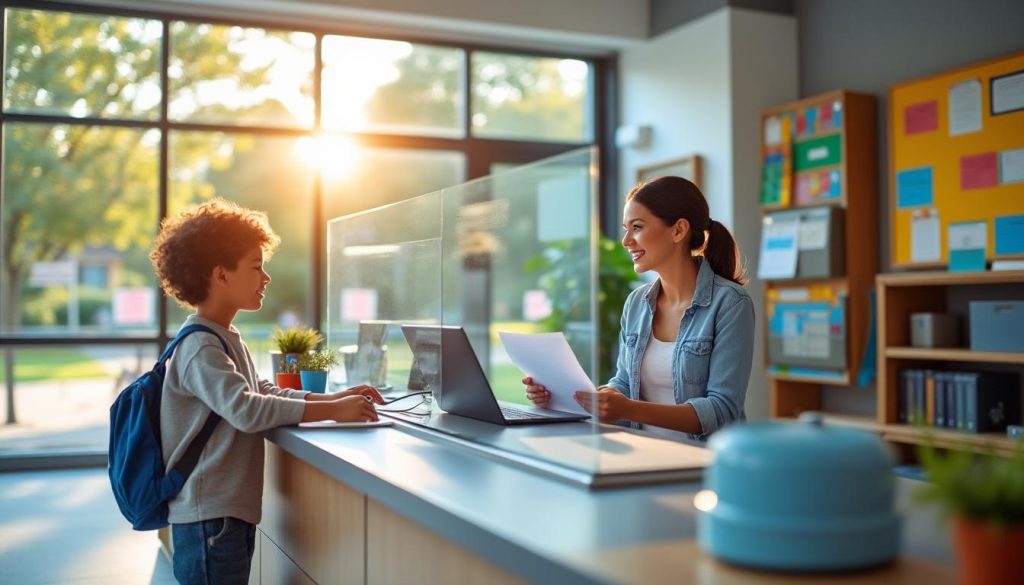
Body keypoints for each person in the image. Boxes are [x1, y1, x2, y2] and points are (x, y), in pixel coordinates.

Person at [149, 198, 382, 584]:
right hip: (209, 519)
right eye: (256, 267)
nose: (266, 277)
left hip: (226, 515)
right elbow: (247, 410)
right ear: (220, 275)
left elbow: (264, 390)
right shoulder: (200, 346)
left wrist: (334, 400)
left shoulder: (224, 336)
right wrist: (331, 411)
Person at [524, 176, 755, 440]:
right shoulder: (637, 303)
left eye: (636, 227)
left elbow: (722, 410)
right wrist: (568, 396)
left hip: (702, 465)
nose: (625, 241)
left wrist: (631, 409)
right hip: (643, 459)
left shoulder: (731, 303)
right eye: (626, 228)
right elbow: (623, 384)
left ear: (678, 230)